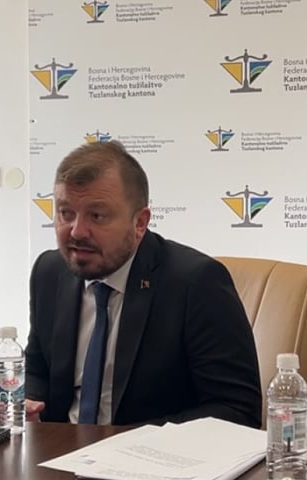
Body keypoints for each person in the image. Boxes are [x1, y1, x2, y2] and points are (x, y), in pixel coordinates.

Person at [25, 140, 262, 428]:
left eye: (97, 216)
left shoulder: (196, 282)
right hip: (58, 450)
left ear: (140, 223)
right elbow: (37, 370)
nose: (77, 231)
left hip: (152, 453)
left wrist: (129, 441)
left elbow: (237, 410)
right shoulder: (49, 272)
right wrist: (30, 402)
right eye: (66, 213)